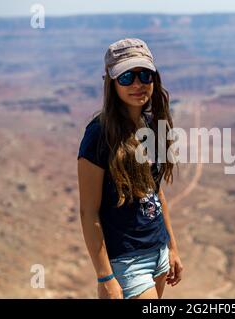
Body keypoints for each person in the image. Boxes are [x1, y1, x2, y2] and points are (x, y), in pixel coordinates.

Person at [77, 38, 183, 299]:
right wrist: (105, 277)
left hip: (158, 253)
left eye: (144, 75)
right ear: (111, 83)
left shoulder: (153, 125)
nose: (137, 84)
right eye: (126, 77)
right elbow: (88, 211)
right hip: (126, 262)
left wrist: (172, 247)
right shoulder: (98, 135)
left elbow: (156, 193)